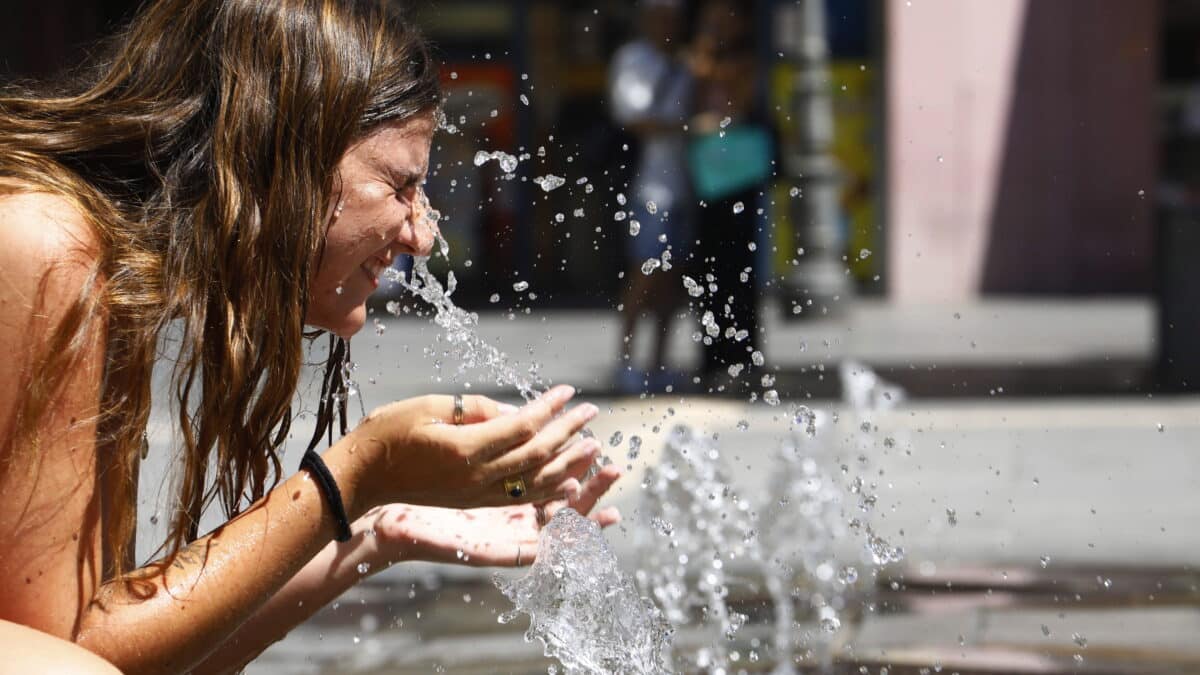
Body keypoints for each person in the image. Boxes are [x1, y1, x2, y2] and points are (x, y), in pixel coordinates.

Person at [0, 1, 621, 673]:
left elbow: (127, 655)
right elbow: (77, 656)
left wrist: (373, 531)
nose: (423, 232)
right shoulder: (46, 244)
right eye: (401, 186)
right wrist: (354, 474)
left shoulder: (102, 273)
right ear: (281, 156)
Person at [608, 0, 695, 393]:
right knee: (645, 272)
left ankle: (659, 362)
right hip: (650, 187)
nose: (668, 24)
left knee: (671, 280)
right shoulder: (634, 59)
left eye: (674, 17)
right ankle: (625, 361)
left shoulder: (688, 61)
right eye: (661, 16)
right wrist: (688, 126)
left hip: (685, 186)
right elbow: (633, 117)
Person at [687, 0, 772, 392]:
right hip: (709, 177)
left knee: (738, 266)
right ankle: (713, 355)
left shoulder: (744, 57)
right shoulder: (706, 54)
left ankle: (743, 354)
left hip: (736, 177)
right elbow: (696, 77)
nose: (718, 20)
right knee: (708, 266)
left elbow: (737, 96)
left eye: (725, 13)